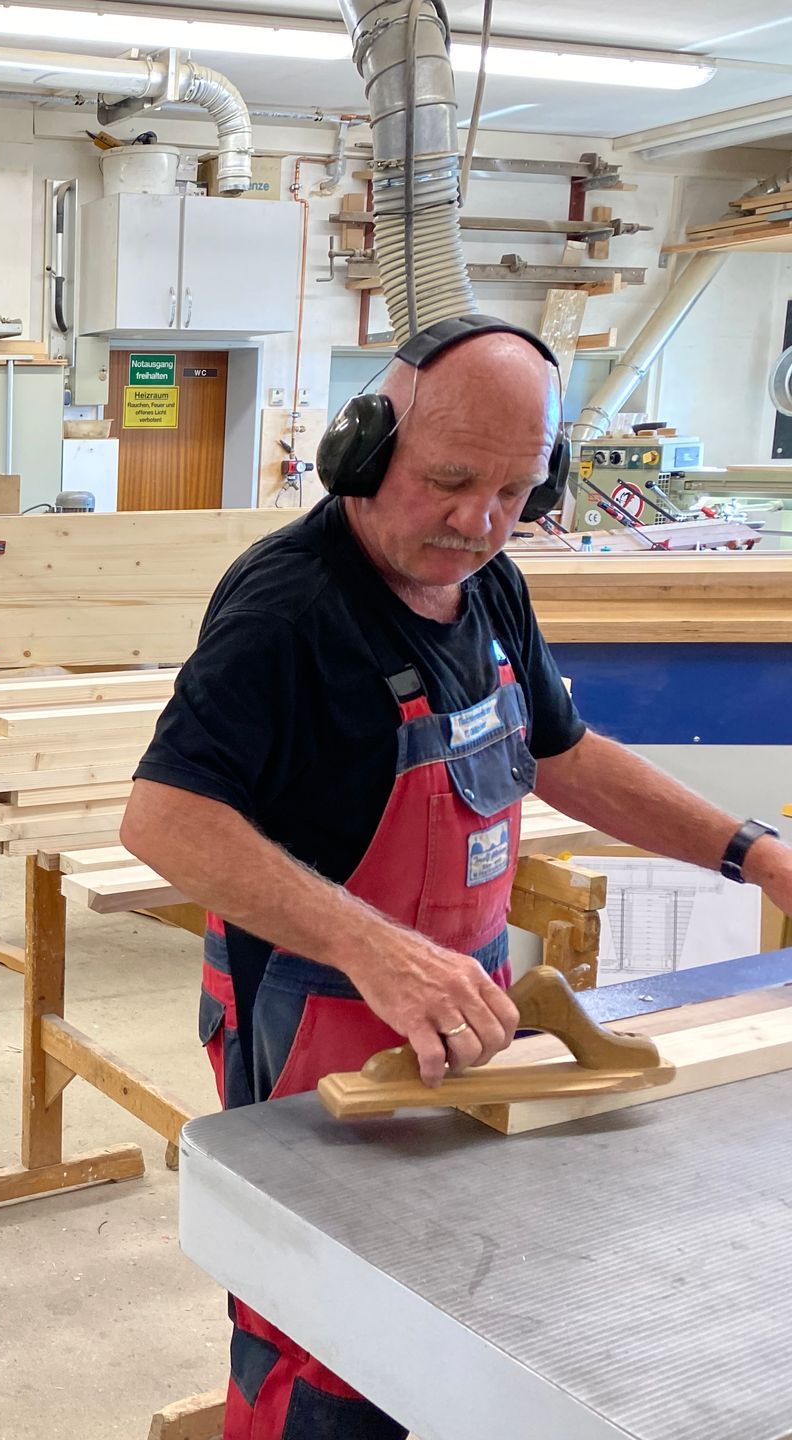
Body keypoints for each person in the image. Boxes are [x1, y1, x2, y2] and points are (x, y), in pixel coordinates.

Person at [120, 317, 792, 1440]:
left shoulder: (492, 588)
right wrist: (381, 952)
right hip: (323, 1029)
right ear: (366, 450)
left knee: (448, 1310)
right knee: (325, 1340)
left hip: (469, 1014)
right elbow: (165, 817)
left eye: (515, 491)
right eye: (449, 481)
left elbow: (562, 754)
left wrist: (752, 851)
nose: (480, 522)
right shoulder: (288, 611)